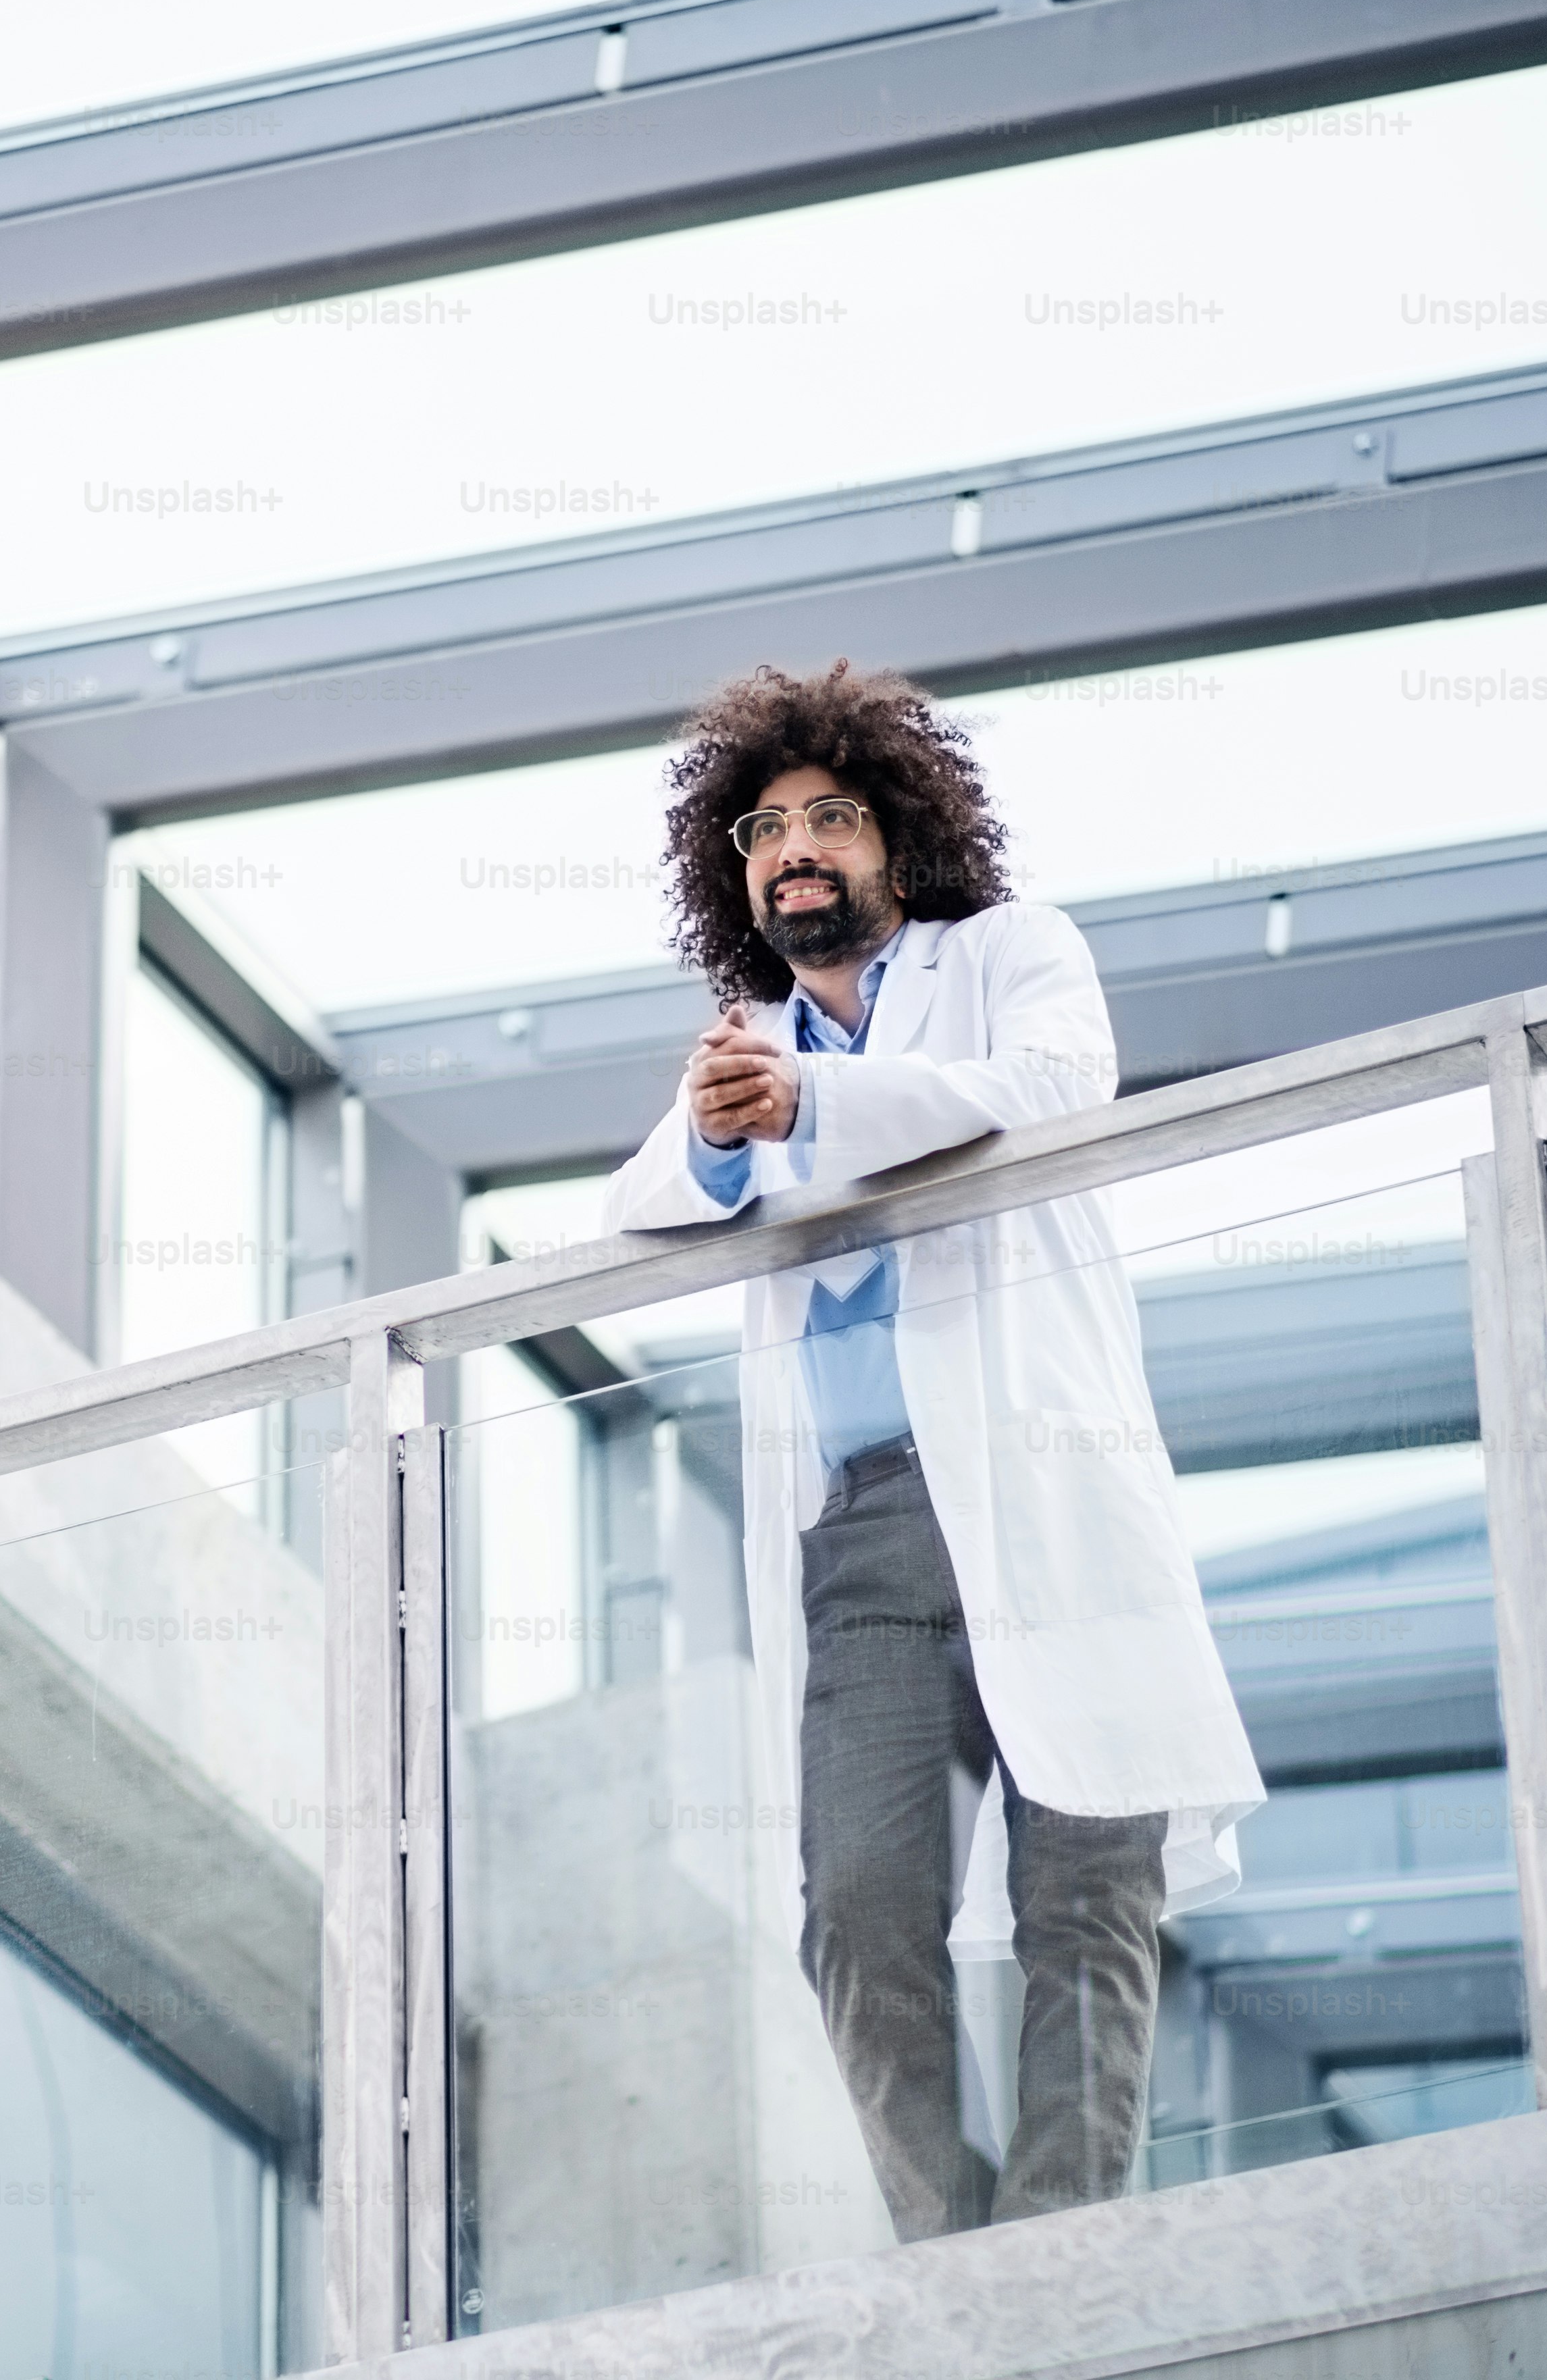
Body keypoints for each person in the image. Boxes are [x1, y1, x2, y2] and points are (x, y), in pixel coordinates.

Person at [599, 659, 1262, 2237]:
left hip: (1044, 1484)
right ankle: (950, 2258)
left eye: (831, 815)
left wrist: (806, 1108)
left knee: (1087, 1880)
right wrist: (717, 1129)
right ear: (735, 870)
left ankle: (1064, 2246)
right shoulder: (741, 1044)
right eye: (764, 827)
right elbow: (640, 1202)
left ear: (901, 833)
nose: (795, 848)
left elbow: (1049, 1089)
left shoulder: (1009, 953)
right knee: (858, 1906)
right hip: (869, 1532)